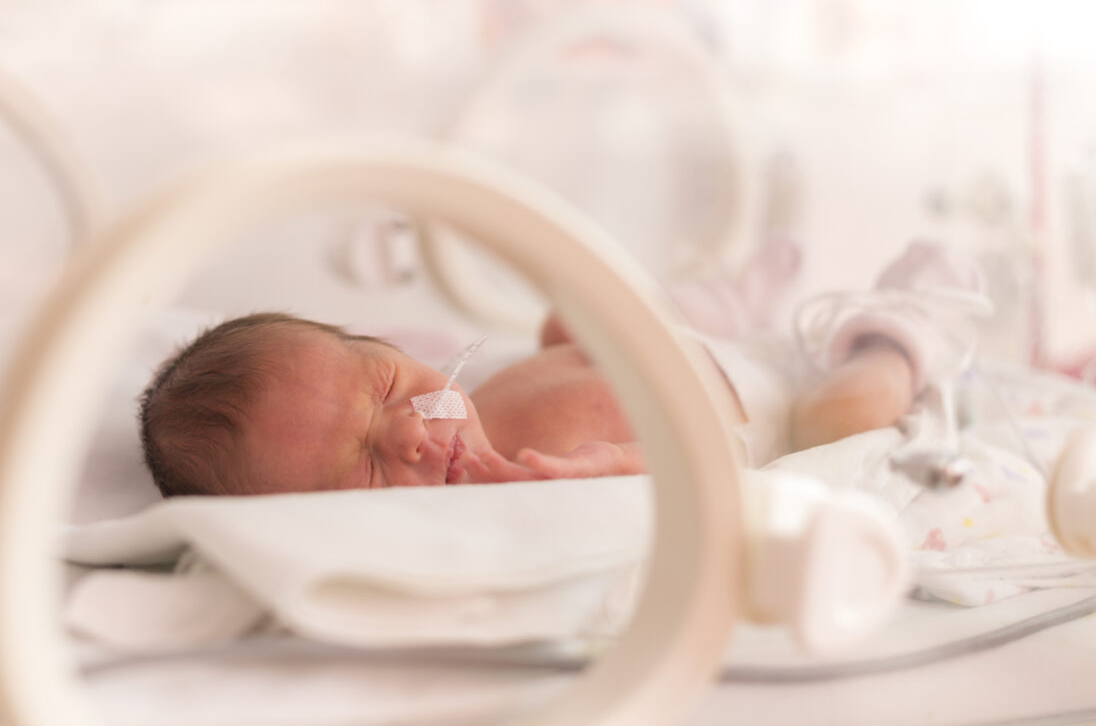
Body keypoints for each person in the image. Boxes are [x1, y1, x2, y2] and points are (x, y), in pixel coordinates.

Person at [139, 240, 982, 497]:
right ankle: (906, 323)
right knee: (850, 417)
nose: (410, 431)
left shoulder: (463, 385)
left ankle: (729, 298)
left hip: (701, 351)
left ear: (389, 349)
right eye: (362, 464)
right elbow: (705, 479)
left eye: (389, 386)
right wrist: (615, 470)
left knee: (564, 323)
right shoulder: (522, 482)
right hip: (781, 406)